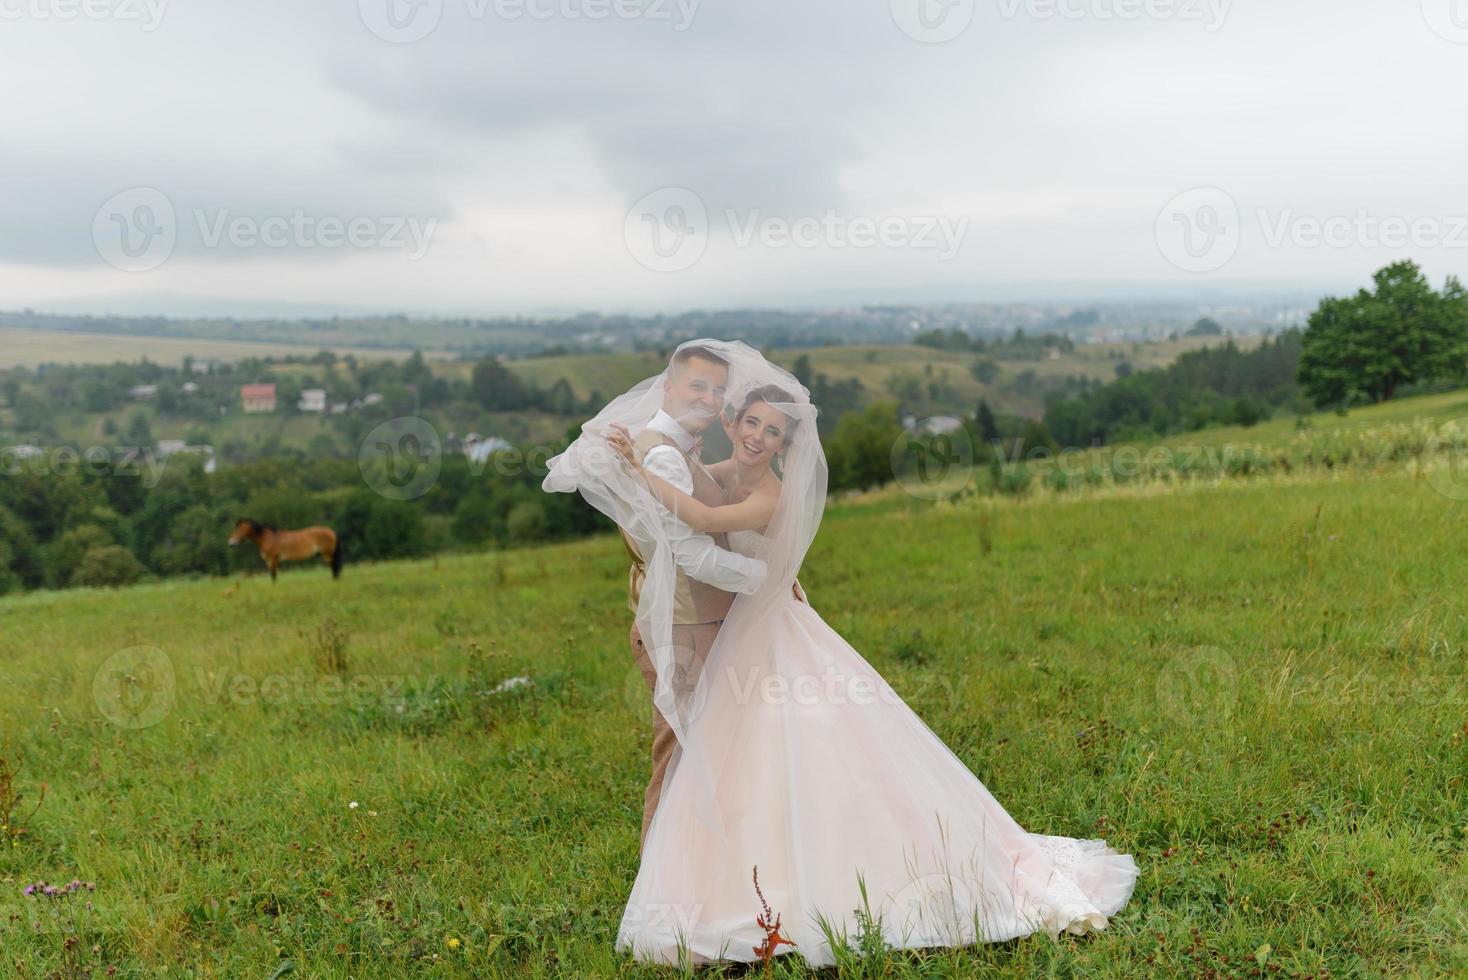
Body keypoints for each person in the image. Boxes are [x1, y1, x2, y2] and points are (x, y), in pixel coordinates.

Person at [583, 341, 1137, 967]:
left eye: (774, 431)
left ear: (787, 444)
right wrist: (639, 462)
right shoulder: (710, 463)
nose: (759, 437)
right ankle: (720, 873)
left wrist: (639, 472)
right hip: (741, 624)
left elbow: (700, 520)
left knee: (797, 742)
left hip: (765, 624)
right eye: (752, 423)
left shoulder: (765, 490)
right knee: (738, 748)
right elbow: (691, 508)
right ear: (734, 425)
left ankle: (804, 874)